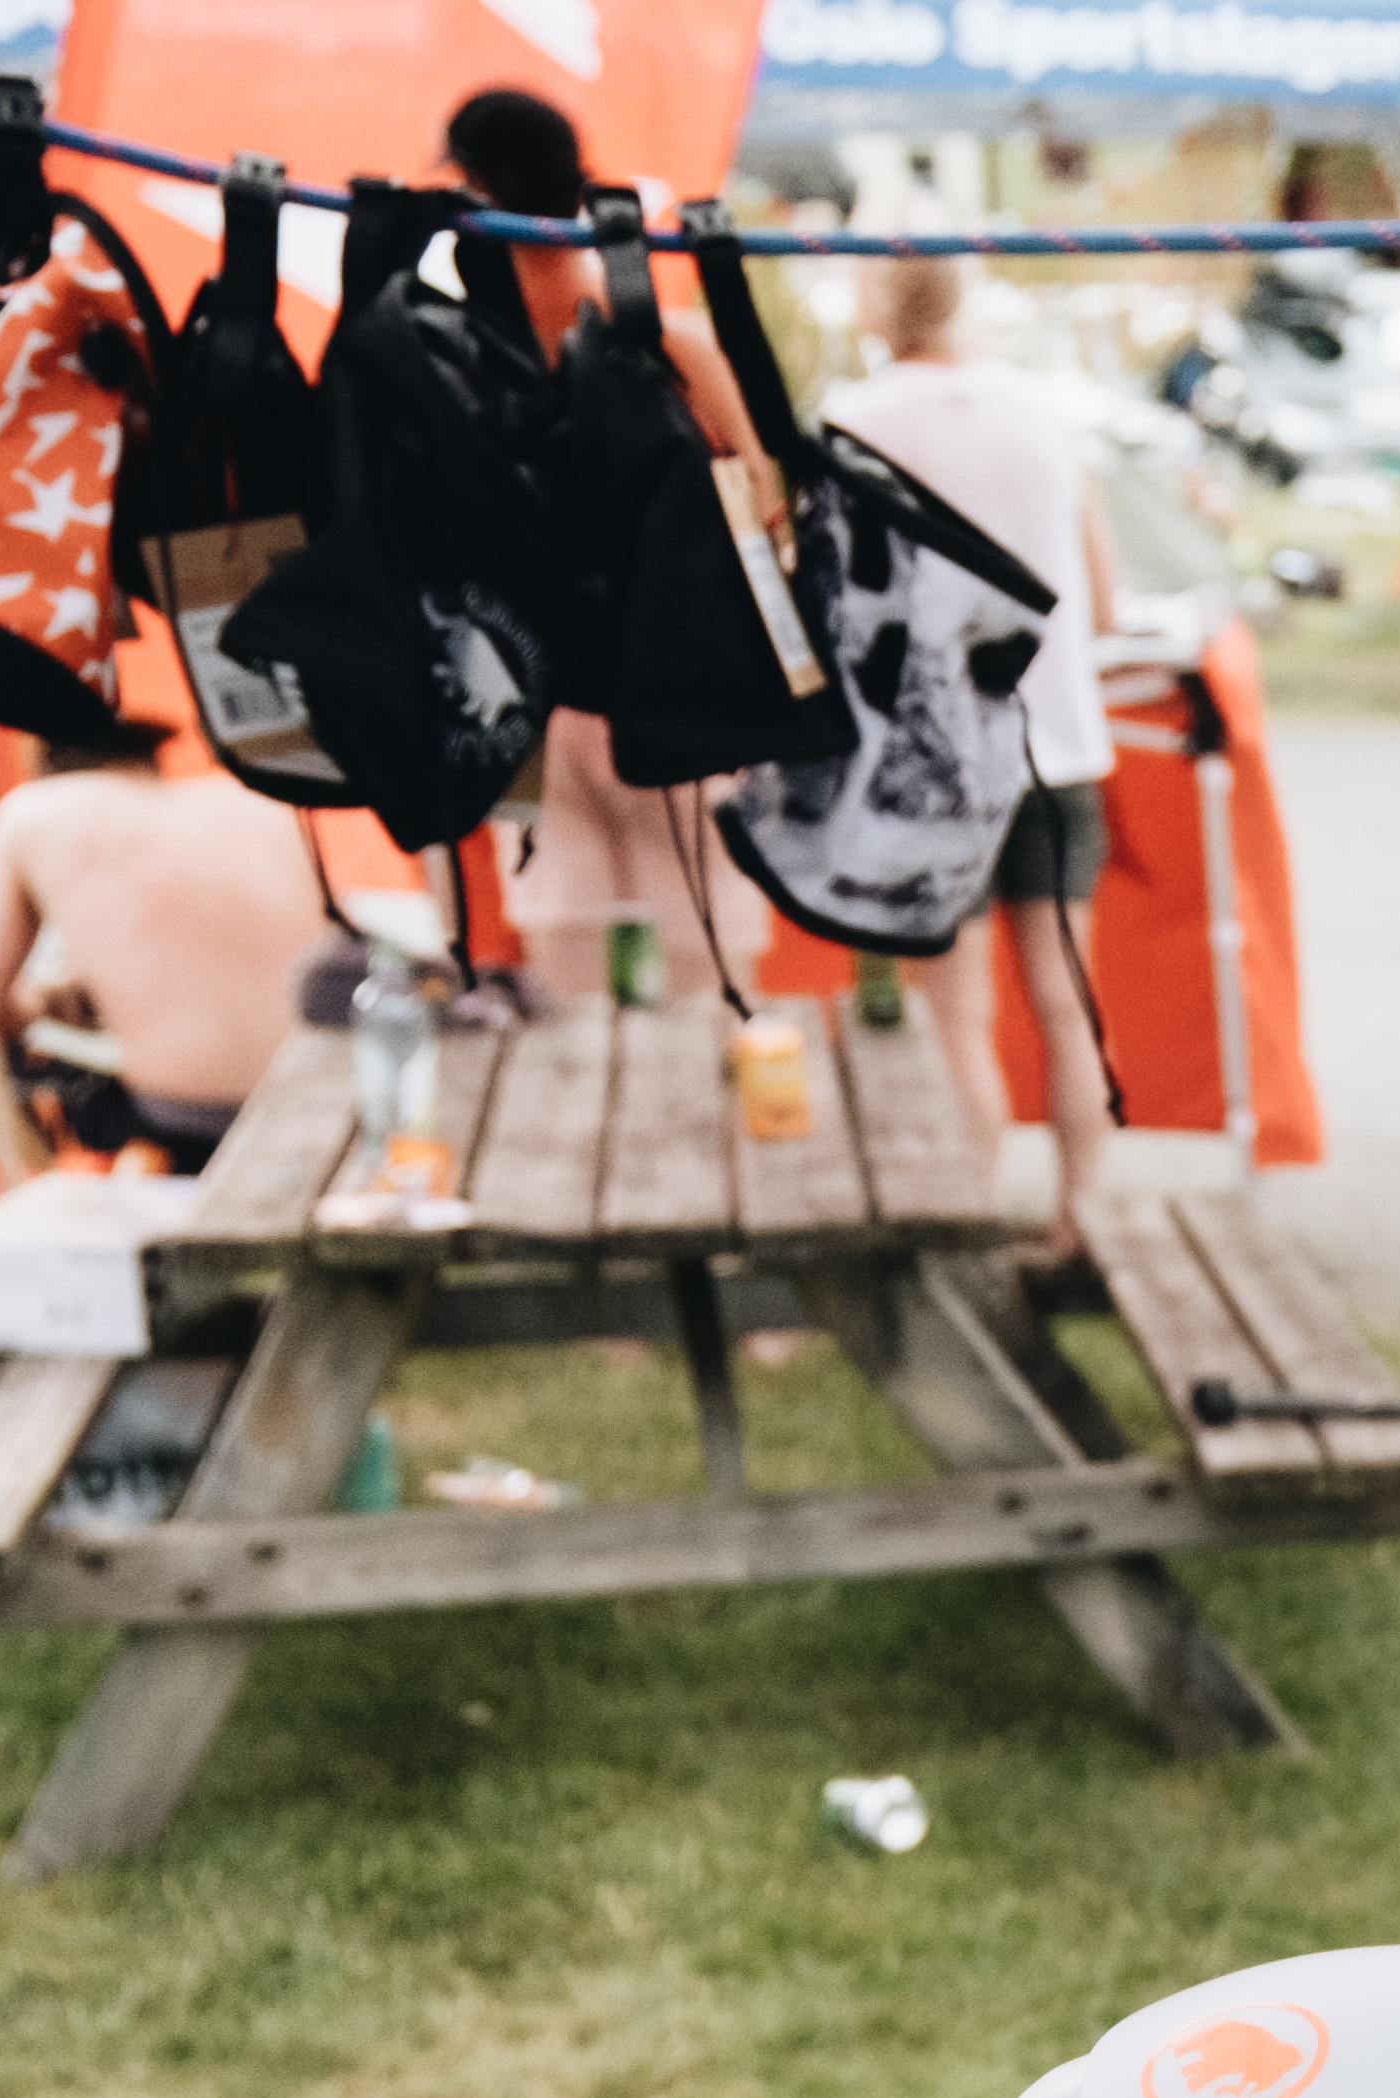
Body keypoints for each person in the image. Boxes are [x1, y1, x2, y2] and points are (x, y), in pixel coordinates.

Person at [820, 248, 1127, 1250]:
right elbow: (1105, 592)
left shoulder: (859, 421)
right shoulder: (1041, 412)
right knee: (1061, 991)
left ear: (874, 298)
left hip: (934, 756)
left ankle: (970, 1204)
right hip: (1055, 743)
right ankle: (1085, 1205)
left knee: (958, 1006)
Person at [434, 85, 762, 974]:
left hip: (515, 689)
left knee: (565, 943)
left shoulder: (445, 355)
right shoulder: (664, 340)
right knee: (708, 939)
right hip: (667, 675)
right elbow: (761, 505)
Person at [0, 713, 329, 1166]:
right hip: (322, 1101)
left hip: (190, 1126)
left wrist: (38, 1003)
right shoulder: (255, 799)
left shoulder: (34, 810)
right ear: (151, 756)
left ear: (44, 764)